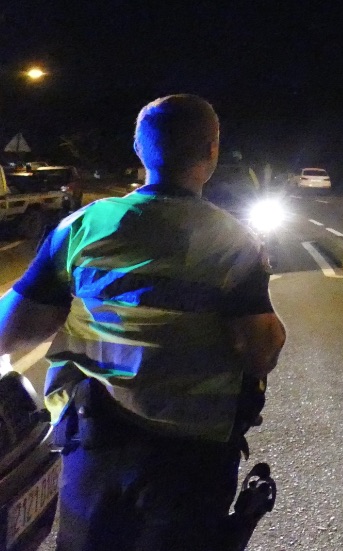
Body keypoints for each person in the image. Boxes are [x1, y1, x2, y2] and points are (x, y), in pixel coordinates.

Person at [0, 94, 287, 551]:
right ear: (211, 153)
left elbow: (11, 331)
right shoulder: (235, 241)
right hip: (192, 460)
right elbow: (259, 351)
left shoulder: (83, 228)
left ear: (139, 149)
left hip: (94, 446)